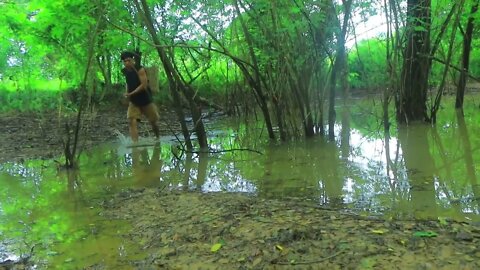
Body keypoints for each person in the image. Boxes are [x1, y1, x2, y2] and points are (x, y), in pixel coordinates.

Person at [120, 51, 160, 142]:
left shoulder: (140, 69)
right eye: (125, 61)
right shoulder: (125, 71)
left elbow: (144, 85)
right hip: (134, 101)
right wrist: (127, 93)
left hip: (146, 99)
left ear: (132, 60)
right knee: (131, 120)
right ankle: (135, 144)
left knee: (153, 121)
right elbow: (128, 83)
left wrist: (131, 93)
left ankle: (158, 138)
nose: (127, 63)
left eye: (128, 60)